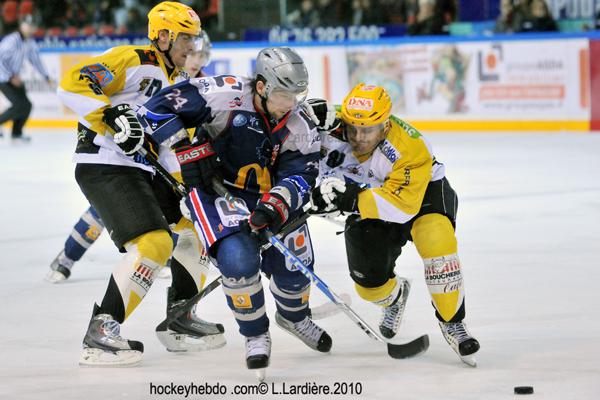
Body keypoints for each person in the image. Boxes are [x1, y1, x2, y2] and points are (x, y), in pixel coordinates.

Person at [136, 46, 332, 377]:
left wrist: (274, 206)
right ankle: (256, 335)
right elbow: (156, 109)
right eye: (284, 94)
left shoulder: (301, 123)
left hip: (271, 197)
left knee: (295, 271)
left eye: (298, 94)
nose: (292, 103)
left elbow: (303, 174)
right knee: (238, 262)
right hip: (217, 192)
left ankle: (295, 318)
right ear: (261, 86)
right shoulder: (222, 94)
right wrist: (184, 146)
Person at [56, 1, 224, 367]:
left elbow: (166, 146)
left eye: (194, 40)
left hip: (143, 169)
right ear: (162, 36)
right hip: (106, 165)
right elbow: (71, 83)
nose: (191, 48)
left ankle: (181, 315)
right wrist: (109, 115)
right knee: (154, 243)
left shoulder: (179, 82)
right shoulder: (134, 60)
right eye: (185, 39)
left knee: (199, 227)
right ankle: (102, 330)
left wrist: (187, 189)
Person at [308, 83, 480, 366]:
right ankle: (394, 297)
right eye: (353, 128)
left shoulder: (410, 146)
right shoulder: (330, 122)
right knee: (368, 284)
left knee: (437, 241)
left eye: (369, 130)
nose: (359, 138)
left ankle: (453, 323)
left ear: (386, 125)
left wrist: (349, 199)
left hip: (422, 195)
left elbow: (402, 208)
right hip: (366, 196)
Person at [46, 30, 214, 284]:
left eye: (200, 55)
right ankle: (67, 257)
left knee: (171, 209)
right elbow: (86, 89)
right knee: (101, 212)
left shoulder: (197, 88)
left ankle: (165, 256)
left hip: (154, 158)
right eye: (192, 51)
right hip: (117, 158)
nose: (194, 59)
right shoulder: (149, 67)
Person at [0, 15, 52, 142]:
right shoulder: (12, 40)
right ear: (21, 25)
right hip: (3, 77)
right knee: (19, 105)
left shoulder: (29, 42)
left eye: (32, 26)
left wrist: (45, 76)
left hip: (13, 78)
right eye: (27, 25)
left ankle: (16, 133)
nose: (30, 28)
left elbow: (36, 60)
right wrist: (11, 76)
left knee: (26, 105)